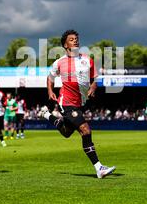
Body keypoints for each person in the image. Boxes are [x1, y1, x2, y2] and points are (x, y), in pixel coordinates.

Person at [38, 29, 116, 179]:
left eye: (76, 38)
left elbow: (94, 78)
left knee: (66, 132)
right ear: (65, 44)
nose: (76, 41)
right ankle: (99, 168)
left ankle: (46, 115)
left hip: (80, 102)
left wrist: (93, 86)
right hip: (66, 102)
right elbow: (50, 78)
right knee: (85, 131)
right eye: (72, 39)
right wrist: (50, 91)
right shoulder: (59, 62)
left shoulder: (87, 59)